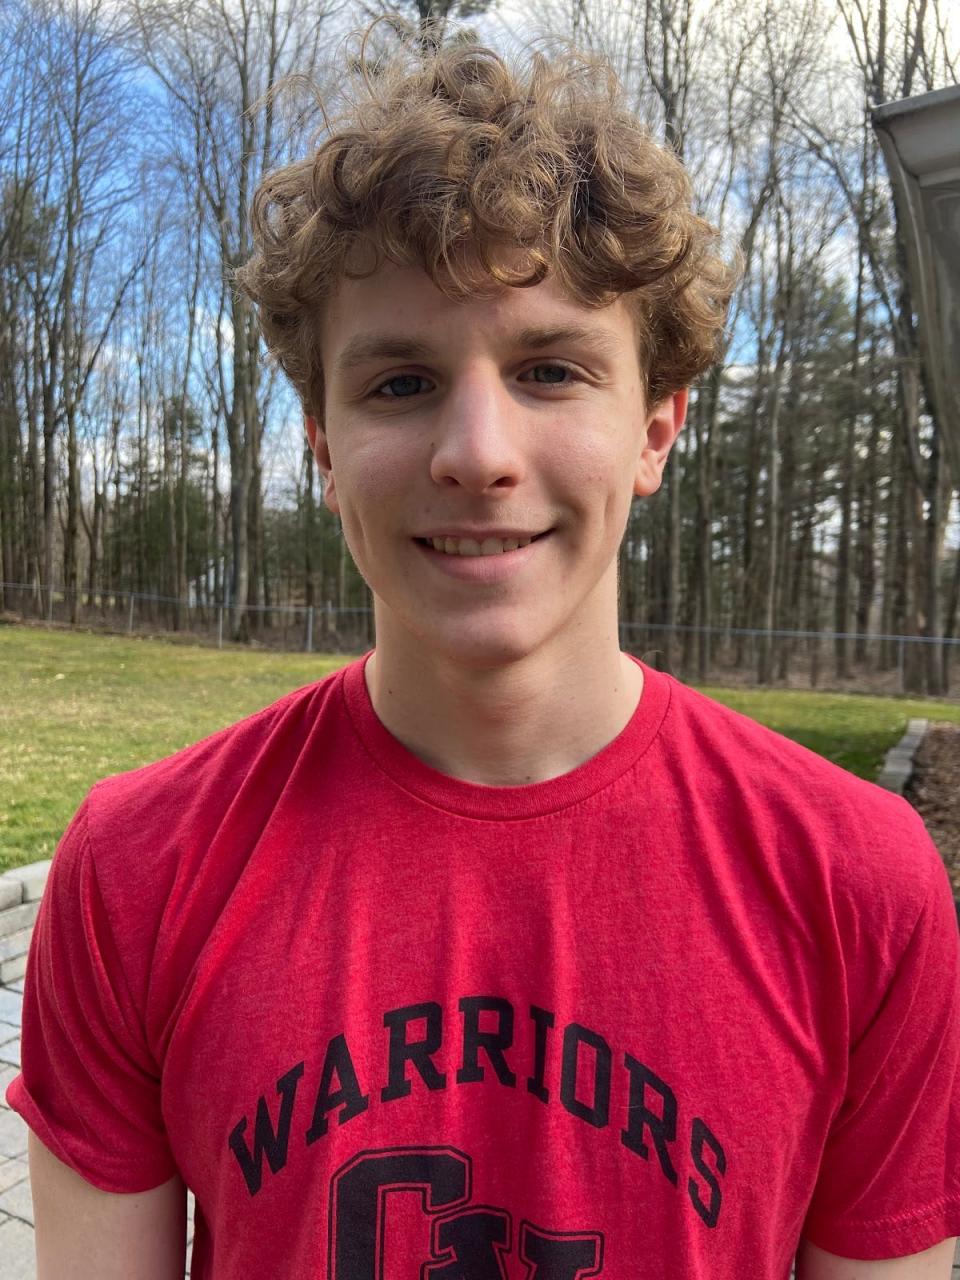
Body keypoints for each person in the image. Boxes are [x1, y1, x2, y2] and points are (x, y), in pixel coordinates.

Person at [7, 30, 960, 1280]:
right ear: (323, 444)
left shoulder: (855, 882)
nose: (478, 451)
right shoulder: (137, 870)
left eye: (551, 368)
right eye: (400, 382)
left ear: (655, 428)